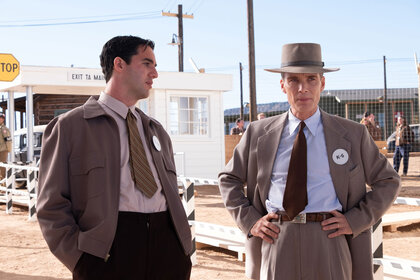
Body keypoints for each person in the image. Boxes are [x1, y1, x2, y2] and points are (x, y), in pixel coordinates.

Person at [218, 43, 400, 280]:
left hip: (331, 240)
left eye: (311, 79)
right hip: (276, 238)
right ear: (282, 85)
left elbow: (388, 181)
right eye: (293, 80)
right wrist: (251, 220)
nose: (303, 88)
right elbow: (228, 178)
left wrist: (355, 220)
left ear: (322, 84)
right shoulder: (258, 133)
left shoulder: (352, 134)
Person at [37, 36, 192, 280]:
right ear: (119, 64)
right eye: (147, 64)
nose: (155, 73)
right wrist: (80, 261)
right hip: (106, 258)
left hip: (168, 252)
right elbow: (51, 206)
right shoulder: (69, 127)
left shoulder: (156, 130)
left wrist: (182, 251)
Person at [0, 113, 11, 180]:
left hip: (3, 150)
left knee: (2, 169)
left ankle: (3, 188)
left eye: (1, 118)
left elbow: (8, 140)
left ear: (3, 119)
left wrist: (8, 150)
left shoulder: (4, 129)